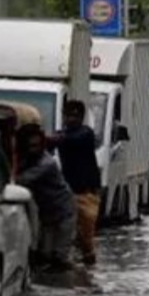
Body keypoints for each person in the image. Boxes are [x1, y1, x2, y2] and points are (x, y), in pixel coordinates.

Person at [15, 123, 77, 272]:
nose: (33, 149)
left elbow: (22, 180)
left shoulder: (46, 163)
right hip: (47, 212)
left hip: (64, 210)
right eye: (30, 146)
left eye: (36, 145)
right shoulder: (28, 160)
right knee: (45, 254)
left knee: (60, 257)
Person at [46, 100, 101, 266]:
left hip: (86, 194)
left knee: (86, 238)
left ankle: (88, 266)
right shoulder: (62, 135)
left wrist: (52, 139)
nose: (71, 119)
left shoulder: (86, 134)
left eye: (75, 116)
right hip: (68, 192)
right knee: (66, 231)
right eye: (68, 115)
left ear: (82, 118)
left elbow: (70, 140)